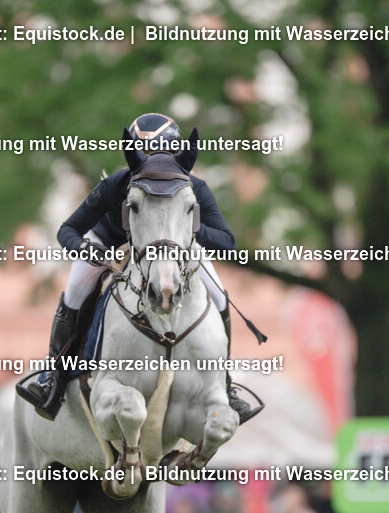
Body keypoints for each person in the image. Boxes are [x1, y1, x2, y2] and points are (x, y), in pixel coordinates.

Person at [17, 113, 261, 423]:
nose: (157, 169)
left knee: (220, 296)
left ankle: (224, 385)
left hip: (174, 247)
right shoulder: (115, 184)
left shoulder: (195, 188)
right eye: (148, 160)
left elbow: (227, 242)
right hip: (109, 241)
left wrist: (189, 227)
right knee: (77, 288)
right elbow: (68, 229)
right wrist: (85, 249)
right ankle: (52, 378)